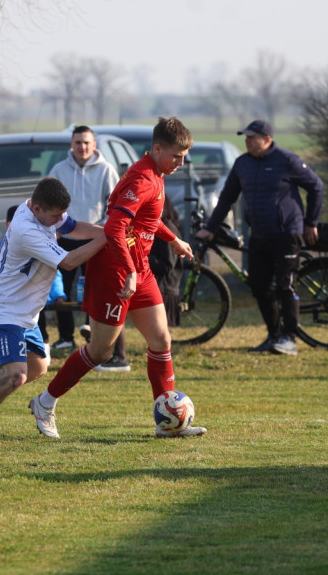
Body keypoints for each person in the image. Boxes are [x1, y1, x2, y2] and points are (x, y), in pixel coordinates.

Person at [32, 117, 208, 439]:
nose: (181, 163)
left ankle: (166, 422)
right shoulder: (142, 178)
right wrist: (128, 271)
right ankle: (45, 402)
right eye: (176, 156)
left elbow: (147, 220)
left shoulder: (157, 171)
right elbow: (114, 227)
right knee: (101, 352)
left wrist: (173, 240)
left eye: (184, 157)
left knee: (161, 341)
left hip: (137, 268)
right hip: (115, 270)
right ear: (157, 149)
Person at [0, 178, 106, 443]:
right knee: (16, 376)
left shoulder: (39, 210)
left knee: (38, 367)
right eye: (54, 215)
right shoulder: (26, 229)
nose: (58, 220)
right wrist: (108, 238)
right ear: (37, 209)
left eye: (60, 214)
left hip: (24, 312)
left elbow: (73, 227)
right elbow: (68, 262)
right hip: (2, 310)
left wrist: (104, 230)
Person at [199, 119, 323, 356]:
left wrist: (311, 223)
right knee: (259, 286)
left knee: (285, 284)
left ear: (267, 139)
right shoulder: (242, 164)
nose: (247, 141)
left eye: (251, 138)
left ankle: (290, 338)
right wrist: (211, 228)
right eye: (245, 138)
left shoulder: (287, 160)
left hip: (287, 232)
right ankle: (274, 336)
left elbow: (316, 186)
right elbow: (227, 198)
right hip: (259, 233)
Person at [48, 125, 130, 372]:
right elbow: (49, 201)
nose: (82, 147)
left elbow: (115, 204)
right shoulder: (59, 170)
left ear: (94, 145)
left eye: (86, 142)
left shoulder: (106, 170)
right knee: (60, 288)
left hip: (96, 238)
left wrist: (104, 232)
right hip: (65, 236)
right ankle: (64, 337)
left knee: (94, 289)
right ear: (71, 145)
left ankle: (91, 332)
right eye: (77, 142)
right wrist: (56, 226)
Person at [0, 205, 65, 363]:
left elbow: (55, 271)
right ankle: (17, 356)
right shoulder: (3, 246)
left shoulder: (39, 240)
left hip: (35, 297)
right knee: (15, 371)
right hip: (12, 300)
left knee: (39, 319)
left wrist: (57, 293)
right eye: (12, 223)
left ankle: (44, 346)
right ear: (7, 225)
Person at [148, 196, 182, 327]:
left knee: (161, 338)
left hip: (165, 291)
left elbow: (167, 265)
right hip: (158, 289)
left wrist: (143, 258)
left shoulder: (167, 228)